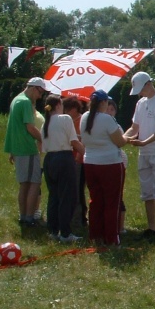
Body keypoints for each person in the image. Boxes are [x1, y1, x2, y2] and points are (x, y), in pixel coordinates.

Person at [124, 72, 155, 240]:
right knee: (147, 192)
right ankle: (151, 228)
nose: (139, 93)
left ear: (148, 84)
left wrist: (144, 142)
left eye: (141, 89)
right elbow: (134, 127)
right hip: (144, 153)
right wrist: (122, 139)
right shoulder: (140, 103)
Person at [81, 90, 127, 246]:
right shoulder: (107, 119)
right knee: (112, 202)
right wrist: (127, 137)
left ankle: (95, 235)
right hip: (110, 164)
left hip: (90, 163)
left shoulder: (85, 117)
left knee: (96, 201)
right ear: (102, 103)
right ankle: (112, 238)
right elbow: (120, 142)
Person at [3, 77, 47, 226]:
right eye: (40, 93)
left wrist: (12, 149)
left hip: (18, 147)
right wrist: (43, 140)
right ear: (34, 88)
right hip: (27, 147)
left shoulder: (16, 100)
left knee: (24, 184)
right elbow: (30, 127)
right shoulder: (26, 102)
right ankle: (29, 217)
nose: (40, 96)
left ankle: (23, 216)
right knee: (34, 182)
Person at [41, 94, 84, 242]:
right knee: (67, 196)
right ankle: (65, 233)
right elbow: (73, 142)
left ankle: (53, 230)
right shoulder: (65, 119)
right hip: (64, 158)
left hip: (49, 159)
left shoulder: (45, 123)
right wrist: (87, 153)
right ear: (59, 105)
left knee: (54, 196)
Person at [62, 96, 87, 228]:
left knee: (78, 190)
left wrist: (78, 156)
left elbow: (83, 140)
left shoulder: (82, 120)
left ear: (74, 109)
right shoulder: (67, 121)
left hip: (80, 161)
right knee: (72, 189)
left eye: (67, 109)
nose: (65, 112)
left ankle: (80, 219)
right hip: (69, 159)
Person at [107, 100, 128, 235]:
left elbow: (120, 142)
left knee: (117, 195)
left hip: (118, 161)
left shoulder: (116, 126)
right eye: (107, 109)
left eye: (112, 110)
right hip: (106, 162)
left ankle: (120, 227)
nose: (109, 112)